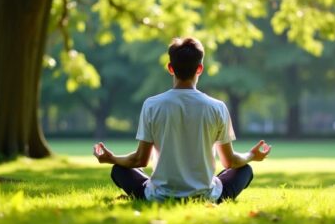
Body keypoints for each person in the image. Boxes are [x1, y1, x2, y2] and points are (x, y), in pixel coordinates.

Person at [93, 37, 271, 203]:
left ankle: (149, 193)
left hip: (159, 196)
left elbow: (139, 160)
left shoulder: (152, 105)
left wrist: (112, 158)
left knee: (119, 170)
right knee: (244, 170)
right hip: (206, 196)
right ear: (200, 68)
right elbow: (229, 162)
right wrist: (252, 155)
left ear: (170, 68)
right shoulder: (217, 107)